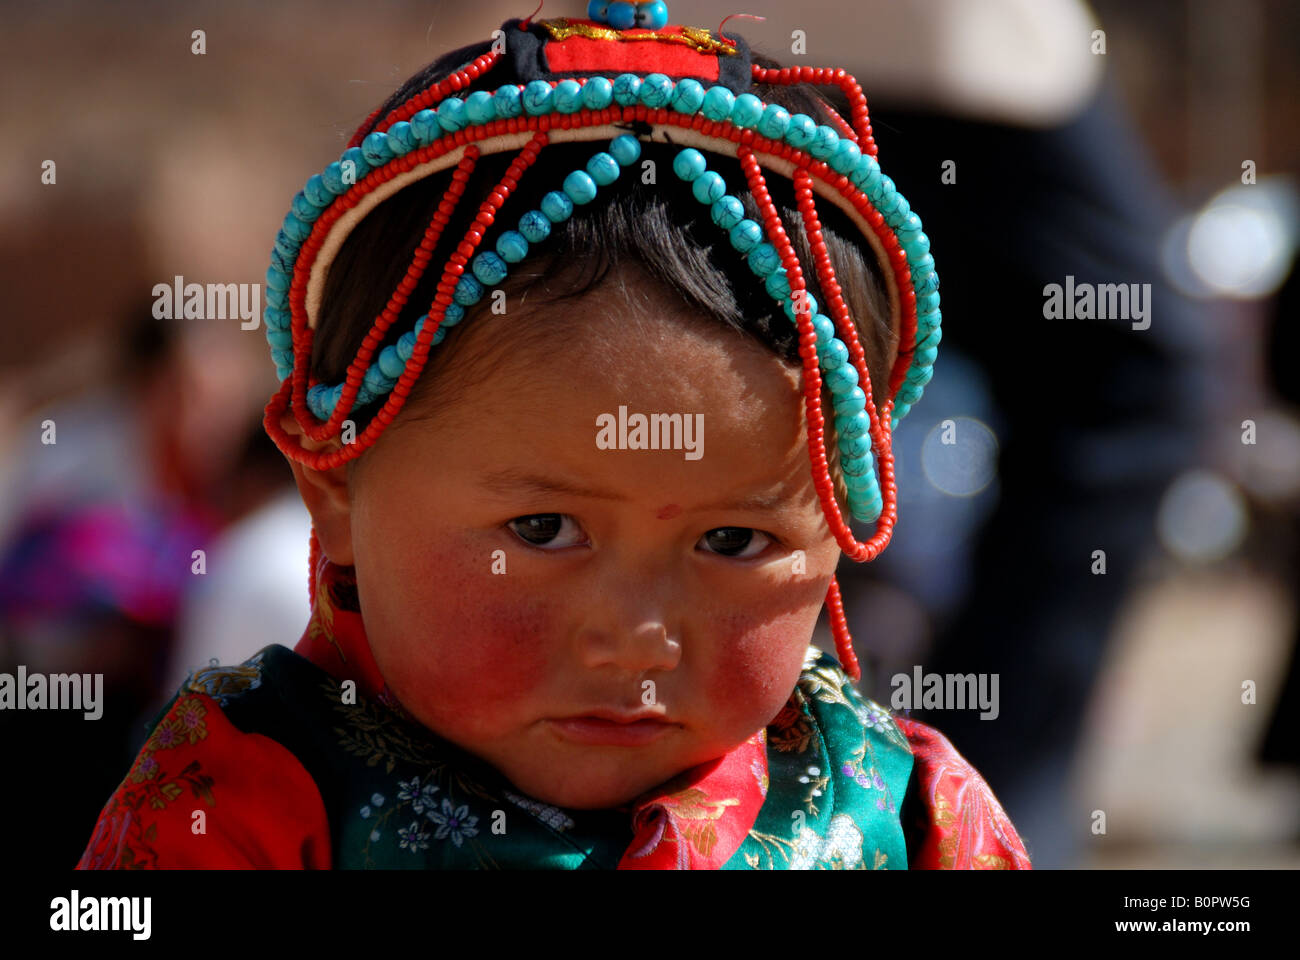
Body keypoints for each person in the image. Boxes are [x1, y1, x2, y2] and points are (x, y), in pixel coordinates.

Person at [76, 3, 1030, 869]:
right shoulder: (232, 810)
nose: (635, 639)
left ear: (841, 520)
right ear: (336, 487)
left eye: (733, 541)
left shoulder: (911, 823)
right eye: (541, 530)